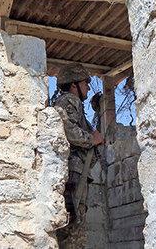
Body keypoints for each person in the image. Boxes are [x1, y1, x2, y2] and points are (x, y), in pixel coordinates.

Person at [53, 63, 104, 248]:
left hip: (78, 171)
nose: (89, 87)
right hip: (74, 172)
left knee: (76, 219)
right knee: (73, 223)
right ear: (74, 85)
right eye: (85, 83)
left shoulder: (74, 104)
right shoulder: (68, 100)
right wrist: (93, 139)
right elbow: (69, 131)